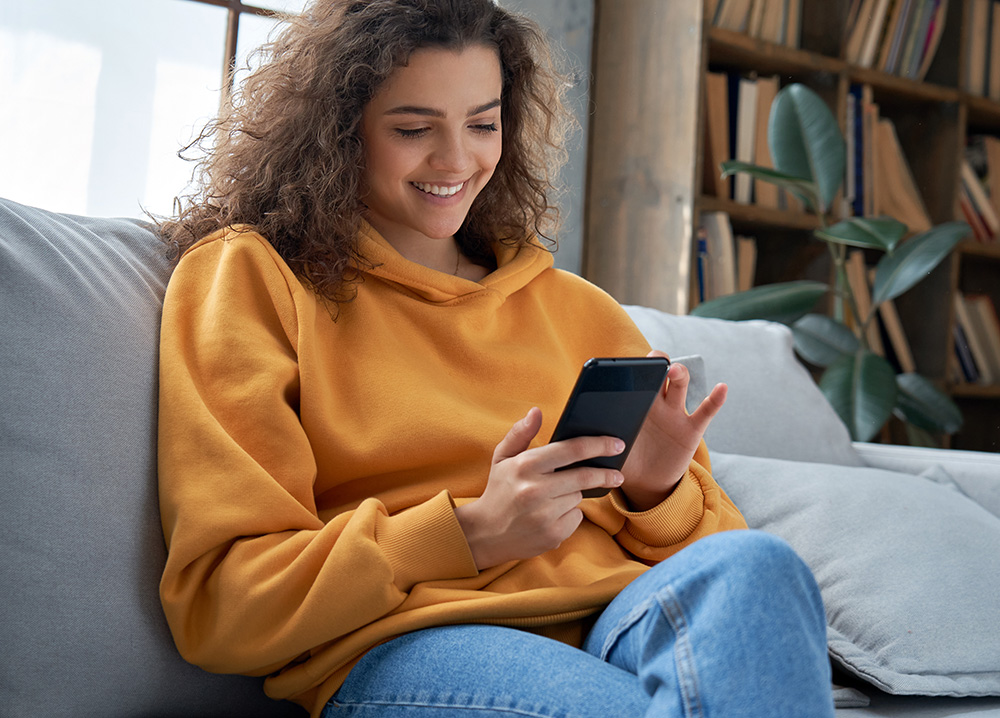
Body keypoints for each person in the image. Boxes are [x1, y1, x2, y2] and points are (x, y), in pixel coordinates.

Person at [156, 1, 836, 716]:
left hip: (618, 619)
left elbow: (722, 580)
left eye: (483, 124)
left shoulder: (578, 308)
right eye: (414, 129)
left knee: (760, 566)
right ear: (338, 132)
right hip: (417, 640)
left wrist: (657, 492)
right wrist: (470, 532)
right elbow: (223, 604)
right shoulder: (254, 278)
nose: (456, 160)